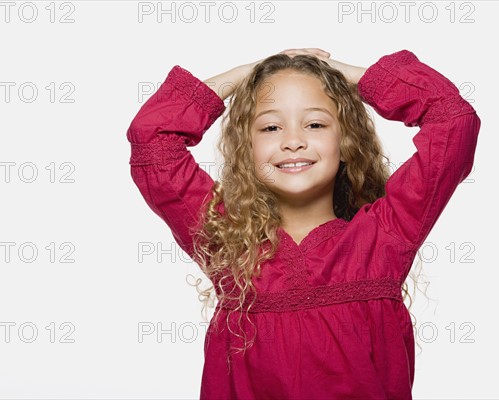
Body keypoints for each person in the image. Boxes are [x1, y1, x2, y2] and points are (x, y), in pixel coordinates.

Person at [126, 48, 480, 399]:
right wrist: (247, 73)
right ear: (245, 149)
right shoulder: (229, 243)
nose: (293, 141)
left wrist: (353, 74)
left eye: (314, 124)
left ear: (346, 141)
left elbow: (453, 121)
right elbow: (152, 140)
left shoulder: (384, 237)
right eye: (270, 127)